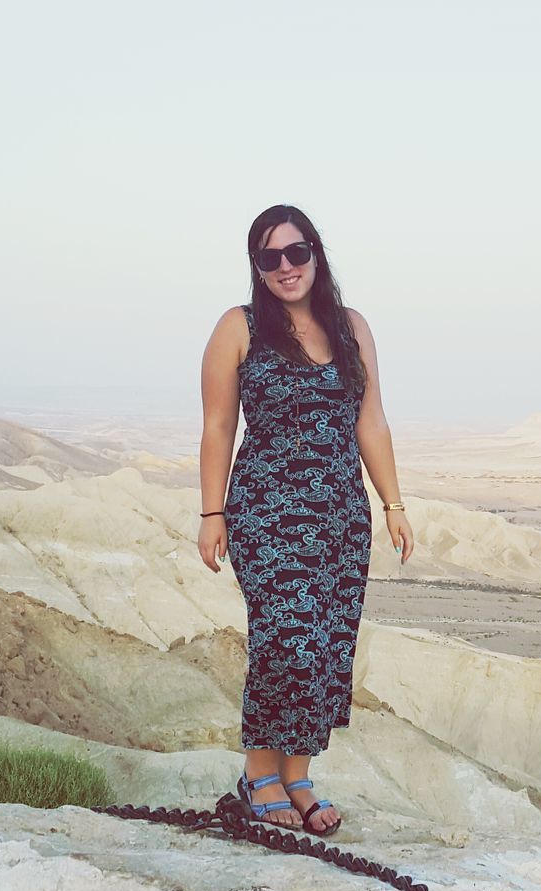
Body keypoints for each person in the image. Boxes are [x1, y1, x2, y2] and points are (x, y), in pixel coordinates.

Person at [197, 204, 414, 834]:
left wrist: (392, 503)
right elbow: (217, 427)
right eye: (270, 258)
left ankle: (296, 777)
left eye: (296, 253)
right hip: (266, 511)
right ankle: (258, 775)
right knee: (285, 639)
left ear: (316, 254)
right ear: (257, 269)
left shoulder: (351, 327)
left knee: (323, 646)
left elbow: (370, 420)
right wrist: (212, 514)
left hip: (340, 515)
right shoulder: (238, 328)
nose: (286, 267)